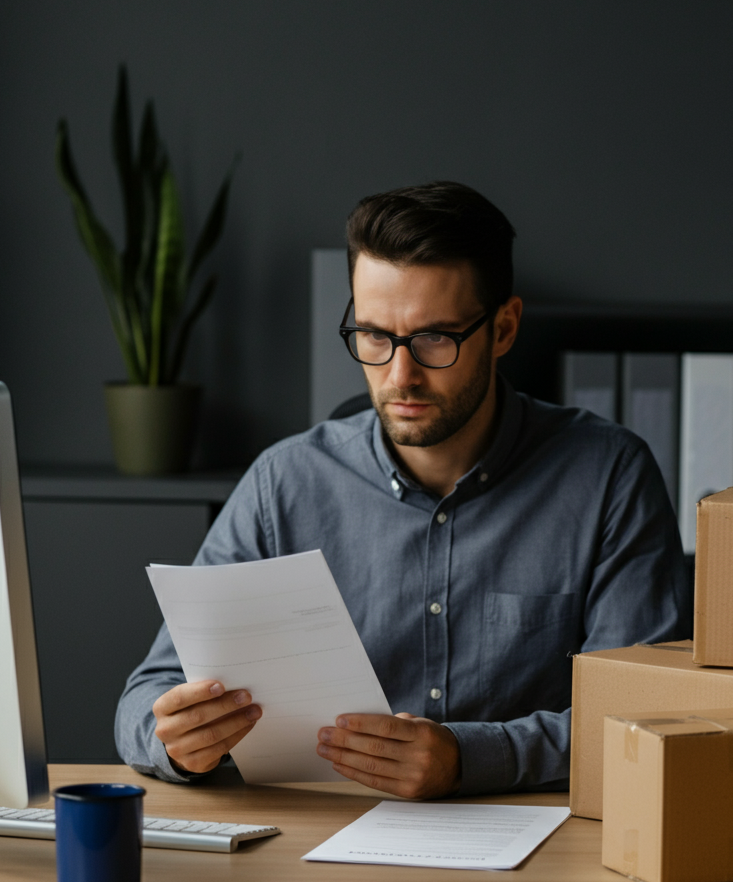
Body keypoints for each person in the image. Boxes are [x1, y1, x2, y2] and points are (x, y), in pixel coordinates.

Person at [115, 180, 691, 798]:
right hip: (321, 847)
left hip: (539, 854)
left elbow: (643, 718)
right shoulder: (283, 483)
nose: (399, 375)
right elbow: (144, 699)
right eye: (374, 336)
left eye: (435, 338)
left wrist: (468, 758)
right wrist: (174, 740)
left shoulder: (609, 476)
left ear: (503, 329)